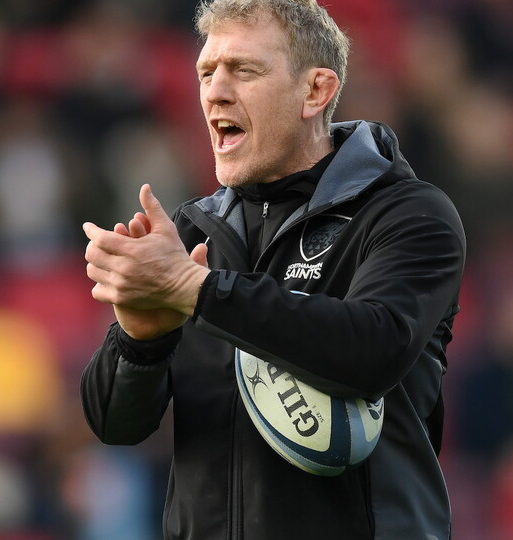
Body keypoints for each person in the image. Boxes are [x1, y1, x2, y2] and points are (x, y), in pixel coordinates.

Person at [80, 0, 466, 538]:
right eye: (206, 73)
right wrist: (140, 341)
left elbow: (375, 351)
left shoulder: (407, 213)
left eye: (244, 70)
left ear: (316, 91)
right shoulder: (193, 234)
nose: (215, 92)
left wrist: (200, 291)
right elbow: (114, 425)